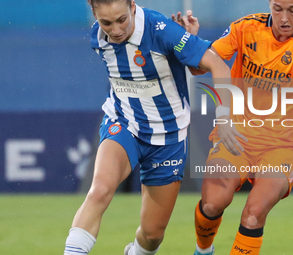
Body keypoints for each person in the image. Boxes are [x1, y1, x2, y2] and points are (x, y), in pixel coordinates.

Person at [62, 0, 232, 255]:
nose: (115, 29)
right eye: (106, 22)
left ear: (132, 6)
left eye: (121, 20)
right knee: (99, 191)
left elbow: (217, 65)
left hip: (169, 138)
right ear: (95, 14)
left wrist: (225, 117)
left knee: (152, 235)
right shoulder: (98, 36)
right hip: (124, 123)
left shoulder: (162, 30)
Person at [174, 0, 293, 254]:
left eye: (292, 10)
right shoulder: (245, 28)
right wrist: (189, 41)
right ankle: (203, 250)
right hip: (236, 135)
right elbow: (197, 68)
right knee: (212, 204)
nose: (284, 18)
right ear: (270, 4)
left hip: (282, 146)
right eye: (278, 8)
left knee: (254, 214)